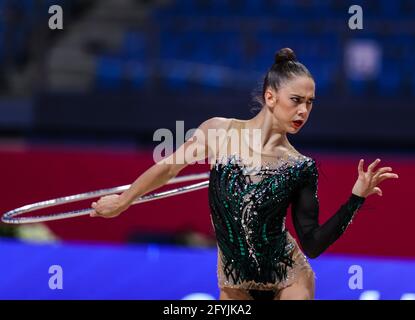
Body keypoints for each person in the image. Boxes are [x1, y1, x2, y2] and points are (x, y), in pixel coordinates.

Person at [90, 48, 399, 300]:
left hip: (288, 278)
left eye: (309, 103)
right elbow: (169, 167)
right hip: (234, 282)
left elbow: (314, 244)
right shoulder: (219, 131)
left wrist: (356, 199)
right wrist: (123, 201)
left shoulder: (299, 166)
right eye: (296, 101)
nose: (303, 111)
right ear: (270, 97)